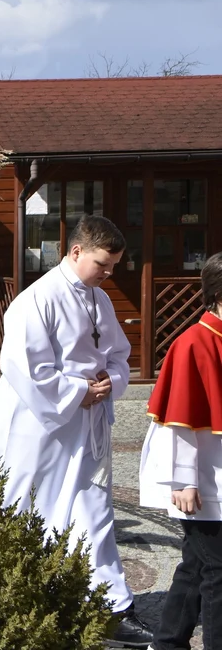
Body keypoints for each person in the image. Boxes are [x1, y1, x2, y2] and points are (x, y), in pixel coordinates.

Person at [0, 214, 152, 648]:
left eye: (113, 266)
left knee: (93, 508)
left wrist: (111, 384)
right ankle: (16, 596)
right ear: (76, 251)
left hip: (87, 420)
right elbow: (26, 368)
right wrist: (79, 391)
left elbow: (119, 354)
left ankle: (113, 606)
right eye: (103, 263)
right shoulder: (36, 299)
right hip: (39, 426)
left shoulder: (98, 298)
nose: (109, 273)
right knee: (29, 505)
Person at [139, 251, 222, 650]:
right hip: (201, 477)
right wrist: (183, 481)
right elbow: (179, 419)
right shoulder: (193, 343)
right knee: (218, 572)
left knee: (195, 565)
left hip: (217, 470)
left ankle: (168, 641)